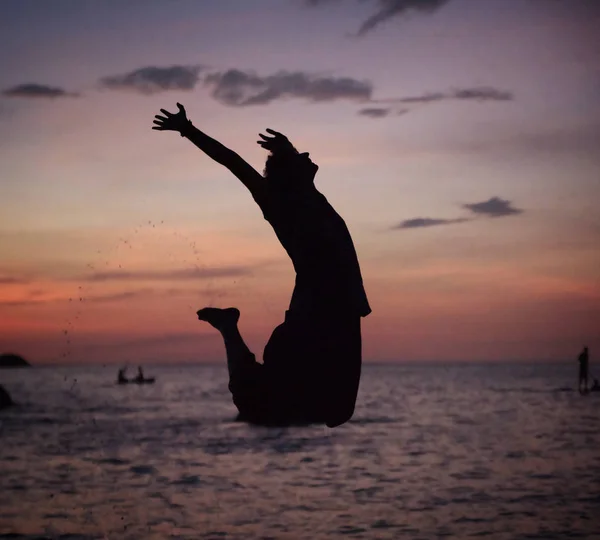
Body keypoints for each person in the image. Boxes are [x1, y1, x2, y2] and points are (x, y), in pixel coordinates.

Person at [153, 103, 371, 427]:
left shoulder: (310, 194)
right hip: (315, 311)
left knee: (339, 412)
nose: (307, 155)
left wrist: (286, 149)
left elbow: (289, 166)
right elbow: (232, 161)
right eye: (300, 156)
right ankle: (229, 328)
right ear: (290, 174)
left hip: (345, 310)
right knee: (258, 402)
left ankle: (243, 349)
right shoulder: (277, 201)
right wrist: (188, 129)